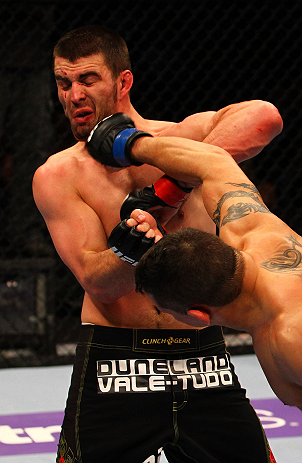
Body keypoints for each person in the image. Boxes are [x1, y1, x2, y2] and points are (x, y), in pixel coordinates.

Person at [32, 24, 283, 463]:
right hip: (115, 361)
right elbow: (100, 282)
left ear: (123, 81)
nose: (73, 95)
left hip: (200, 354)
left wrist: (168, 189)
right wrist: (131, 246)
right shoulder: (59, 175)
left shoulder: (183, 140)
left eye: (87, 80)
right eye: (63, 82)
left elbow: (264, 117)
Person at [107, 128, 302, 411]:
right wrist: (128, 143)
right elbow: (212, 161)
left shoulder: (291, 336)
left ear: (198, 314)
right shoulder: (252, 231)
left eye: (165, 310)